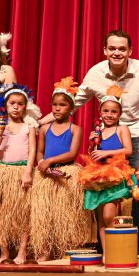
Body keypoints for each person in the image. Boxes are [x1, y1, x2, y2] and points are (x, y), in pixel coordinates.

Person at [41, 30, 139, 257]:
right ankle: (104, 242)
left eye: (122, 49)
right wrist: (42, 121)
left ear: (130, 51)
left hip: (137, 134)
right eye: (112, 48)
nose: (117, 52)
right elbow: (72, 103)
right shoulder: (95, 73)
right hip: (106, 138)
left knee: (138, 188)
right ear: (104, 50)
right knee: (100, 187)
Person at [32, 77, 91, 261]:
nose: (57, 108)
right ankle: (45, 249)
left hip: (66, 173)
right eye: (55, 105)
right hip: (46, 176)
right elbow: (39, 151)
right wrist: (42, 163)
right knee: (45, 214)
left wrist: (49, 161)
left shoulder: (75, 129)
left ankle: (64, 248)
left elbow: (72, 153)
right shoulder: (44, 129)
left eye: (63, 105)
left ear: (71, 108)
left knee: (64, 214)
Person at [0, 85, 39, 264]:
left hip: (21, 171)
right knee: (2, 213)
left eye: (20, 104)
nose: (16, 107)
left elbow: (32, 151)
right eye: (12, 103)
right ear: (5, 106)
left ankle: (22, 251)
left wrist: (28, 172)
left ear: (25, 106)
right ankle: (5, 251)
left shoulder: (28, 127)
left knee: (23, 212)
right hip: (2, 171)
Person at [81, 85, 135, 247]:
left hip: (114, 176)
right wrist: (92, 146)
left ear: (119, 114)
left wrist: (106, 153)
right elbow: (93, 156)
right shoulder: (98, 132)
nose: (109, 115)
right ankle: (107, 253)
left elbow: (128, 150)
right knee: (100, 218)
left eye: (113, 112)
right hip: (98, 177)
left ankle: (116, 249)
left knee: (109, 215)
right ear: (100, 112)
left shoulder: (121, 129)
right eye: (106, 111)